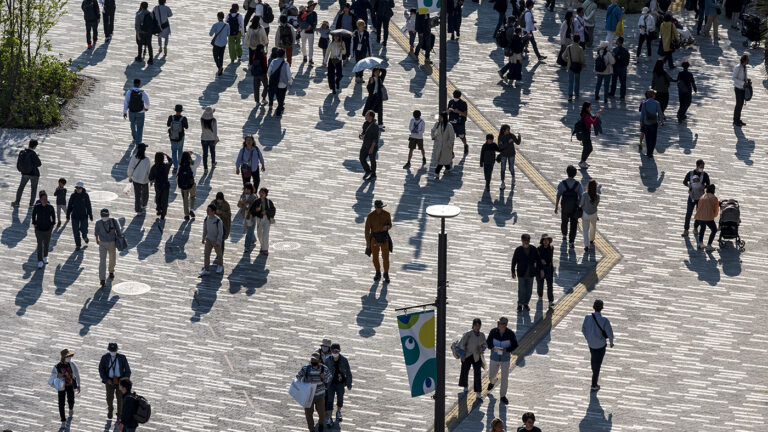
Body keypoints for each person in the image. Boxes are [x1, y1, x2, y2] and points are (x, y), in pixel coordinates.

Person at [581, 299, 614, 391]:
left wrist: (588, 338)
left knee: (593, 359)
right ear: (602, 308)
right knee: (598, 364)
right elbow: (610, 332)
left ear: (593, 307)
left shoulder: (587, 317)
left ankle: (594, 371)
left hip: (591, 344)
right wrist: (611, 342)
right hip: (601, 345)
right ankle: (594, 384)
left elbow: (583, 330)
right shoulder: (604, 320)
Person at [486, 317, 518, 405]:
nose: (498, 325)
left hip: (505, 359)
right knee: (491, 375)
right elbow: (488, 342)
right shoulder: (493, 331)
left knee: (504, 378)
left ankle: (503, 396)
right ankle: (492, 382)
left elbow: (515, 345)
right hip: (494, 357)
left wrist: (506, 350)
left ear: (505, 325)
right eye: (498, 323)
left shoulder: (510, 333)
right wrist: (492, 347)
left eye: (500, 323)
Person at [297, 353, 331, 432]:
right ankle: (311, 429)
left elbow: (329, 377)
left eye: (315, 360)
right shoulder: (306, 368)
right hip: (308, 395)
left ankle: (321, 424)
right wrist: (305, 379)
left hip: (320, 395)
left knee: (322, 413)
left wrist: (324, 378)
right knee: (308, 413)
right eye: (312, 359)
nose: (313, 361)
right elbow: (298, 377)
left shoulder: (324, 368)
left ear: (319, 361)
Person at [98, 342, 132, 420]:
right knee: (109, 398)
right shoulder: (104, 358)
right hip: (109, 381)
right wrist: (106, 380)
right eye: (111, 351)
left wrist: (123, 381)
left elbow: (128, 371)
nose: (113, 352)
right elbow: (101, 369)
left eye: (114, 351)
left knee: (120, 398)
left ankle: (119, 413)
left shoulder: (122, 358)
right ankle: (110, 410)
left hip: (120, 381)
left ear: (117, 350)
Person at [323, 343, 353, 427]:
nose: (335, 353)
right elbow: (324, 372)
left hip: (340, 383)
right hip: (331, 383)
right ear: (331, 351)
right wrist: (324, 383)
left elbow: (348, 372)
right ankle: (330, 418)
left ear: (340, 351)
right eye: (333, 351)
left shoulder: (344, 360)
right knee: (329, 401)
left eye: (336, 351)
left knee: (340, 399)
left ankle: (338, 411)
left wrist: (349, 383)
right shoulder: (328, 360)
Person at [555, 165, 584, 248]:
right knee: (573, 224)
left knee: (564, 221)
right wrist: (579, 205)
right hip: (574, 207)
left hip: (564, 207)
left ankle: (564, 235)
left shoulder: (562, 183)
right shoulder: (578, 184)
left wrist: (556, 206)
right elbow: (581, 196)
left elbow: (558, 195)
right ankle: (571, 241)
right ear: (575, 174)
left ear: (567, 173)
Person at [458, 318, 487, 399]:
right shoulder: (468, 334)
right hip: (467, 355)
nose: (477, 327)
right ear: (473, 326)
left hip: (477, 356)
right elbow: (461, 345)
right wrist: (462, 356)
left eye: (479, 325)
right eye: (476, 325)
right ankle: (465, 385)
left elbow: (485, 344)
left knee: (478, 373)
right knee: (464, 371)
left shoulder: (482, 335)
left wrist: (482, 348)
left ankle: (478, 392)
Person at [364, 199, 392, 282]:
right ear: (375, 207)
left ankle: (386, 273)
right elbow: (367, 230)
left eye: (381, 207)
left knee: (385, 257)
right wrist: (368, 241)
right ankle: (378, 272)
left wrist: (387, 227)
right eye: (378, 208)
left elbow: (390, 225)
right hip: (374, 239)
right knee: (375, 257)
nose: (380, 209)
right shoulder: (370, 216)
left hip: (384, 238)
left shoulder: (387, 214)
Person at [512, 234, 540, 312]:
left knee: (529, 291)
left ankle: (526, 303)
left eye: (528, 240)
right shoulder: (518, 250)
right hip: (521, 273)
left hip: (530, 274)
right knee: (521, 290)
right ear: (522, 240)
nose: (526, 242)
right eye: (525, 240)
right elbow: (514, 261)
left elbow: (538, 259)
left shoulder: (533, 249)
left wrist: (539, 270)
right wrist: (513, 271)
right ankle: (520, 304)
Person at [52, 349, 81, 424]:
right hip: (61, 386)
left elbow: (77, 374)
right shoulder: (57, 366)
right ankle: (63, 420)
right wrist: (57, 375)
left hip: (70, 385)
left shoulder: (72, 364)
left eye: (70, 357)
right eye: (68, 357)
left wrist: (78, 385)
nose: (69, 358)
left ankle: (71, 408)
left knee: (71, 401)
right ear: (63, 357)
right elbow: (52, 375)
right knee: (61, 403)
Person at [95, 208, 122, 286]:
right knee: (102, 261)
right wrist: (97, 240)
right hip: (102, 243)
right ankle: (102, 279)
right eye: (103, 215)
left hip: (112, 242)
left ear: (108, 215)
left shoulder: (113, 221)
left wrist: (120, 240)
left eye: (106, 215)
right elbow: (96, 232)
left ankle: (111, 271)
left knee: (112, 258)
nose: (104, 217)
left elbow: (119, 231)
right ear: (100, 215)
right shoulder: (98, 223)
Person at [682, 160, 710, 236]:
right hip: (692, 196)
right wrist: (688, 185)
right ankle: (686, 229)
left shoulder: (705, 175)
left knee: (699, 214)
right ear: (697, 166)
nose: (702, 168)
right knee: (689, 213)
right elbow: (684, 182)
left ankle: (695, 227)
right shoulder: (690, 173)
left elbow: (708, 184)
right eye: (701, 167)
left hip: (701, 197)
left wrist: (705, 187)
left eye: (703, 167)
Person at [12, 139, 42, 207]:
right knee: (33, 189)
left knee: (21, 187)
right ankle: (31, 204)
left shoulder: (22, 152)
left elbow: (19, 162)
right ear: (35, 146)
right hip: (34, 174)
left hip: (24, 173)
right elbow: (39, 164)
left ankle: (17, 202)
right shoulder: (33, 153)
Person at [66, 181, 93, 251]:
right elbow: (69, 205)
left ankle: (84, 236)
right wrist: (68, 215)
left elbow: (88, 205)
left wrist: (90, 215)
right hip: (75, 216)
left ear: (82, 188)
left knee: (84, 228)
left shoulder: (85, 195)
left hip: (83, 215)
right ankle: (78, 245)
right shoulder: (73, 195)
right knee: (75, 231)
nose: (78, 189)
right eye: (77, 188)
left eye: (79, 188)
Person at [32, 191, 55, 269]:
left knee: (46, 243)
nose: (45, 200)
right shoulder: (37, 207)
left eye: (46, 199)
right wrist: (34, 223)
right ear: (40, 199)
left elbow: (53, 217)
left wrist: (52, 225)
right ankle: (40, 261)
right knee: (39, 245)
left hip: (48, 229)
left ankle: (45, 256)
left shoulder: (50, 207)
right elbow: (33, 215)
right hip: (39, 229)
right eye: (43, 199)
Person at [123, 79, 150, 145]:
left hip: (131, 111)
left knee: (132, 124)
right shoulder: (143, 93)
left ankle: (134, 136)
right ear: (139, 84)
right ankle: (138, 141)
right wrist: (146, 108)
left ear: (133, 83)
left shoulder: (129, 92)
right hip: (140, 112)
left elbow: (126, 102)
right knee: (140, 127)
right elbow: (147, 101)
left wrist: (125, 112)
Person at [266, 48, 293, 116]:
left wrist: (272, 77)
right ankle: (279, 109)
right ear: (283, 55)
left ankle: (280, 107)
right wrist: (290, 82)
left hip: (275, 82)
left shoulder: (273, 61)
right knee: (282, 96)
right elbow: (289, 75)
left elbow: (268, 72)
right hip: (283, 83)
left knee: (278, 96)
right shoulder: (286, 64)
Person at [200, 204, 224, 276]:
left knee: (219, 254)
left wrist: (218, 241)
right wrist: (203, 238)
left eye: (209, 210)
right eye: (207, 210)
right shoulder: (206, 219)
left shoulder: (218, 220)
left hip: (216, 240)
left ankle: (220, 265)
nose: (207, 211)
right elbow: (205, 229)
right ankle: (206, 269)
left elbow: (220, 232)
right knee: (206, 254)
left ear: (213, 212)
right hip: (208, 239)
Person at [177, 151, 201, 220]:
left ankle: (186, 214)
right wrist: (193, 153)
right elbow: (199, 157)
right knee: (192, 197)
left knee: (185, 199)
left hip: (183, 185)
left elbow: (178, 175)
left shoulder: (180, 165)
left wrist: (179, 184)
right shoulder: (193, 163)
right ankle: (192, 210)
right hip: (191, 183)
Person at [431, 112, 456, 180]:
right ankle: (448, 168)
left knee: (441, 160)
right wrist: (434, 137)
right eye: (439, 117)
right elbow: (434, 131)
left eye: (440, 117)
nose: (439, 118)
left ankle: (436, 172)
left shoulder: (449, 126)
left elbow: (452, 137)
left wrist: (448, 144)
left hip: (445, 147)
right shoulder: (437, 124)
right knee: (442, 159)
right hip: (438, 145)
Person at [694, 184, 719, 251]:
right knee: (714, 230)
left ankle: (700, 243)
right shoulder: (714, 198)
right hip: (708, 217)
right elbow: (716, 209)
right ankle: (709, 245)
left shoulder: (702, 196)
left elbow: (698, 207)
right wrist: (714, 215)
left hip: (700, 216)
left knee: (702, 228)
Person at [640, 89, 664, 158]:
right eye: (654, 94)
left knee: (647, 138)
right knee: (653, 138)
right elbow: (660, 113)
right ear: (653, 95)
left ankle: (648, 152)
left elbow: (642, 114)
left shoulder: (644, 103)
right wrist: (661, 121)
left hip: (646, 123)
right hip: (653, 123)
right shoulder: (657, 103)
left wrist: (641, 121)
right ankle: (651, 152)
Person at [127, 144, 151, 213]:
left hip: (136, 179)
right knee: (145, 193)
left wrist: (130, 176)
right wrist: (150, 179)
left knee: (137, 195)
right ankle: (144, 204)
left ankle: (138, 209)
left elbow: (130, 168)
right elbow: (149, 171)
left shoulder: (134, 157)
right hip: (144, 180)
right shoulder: (147, 159)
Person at [148, 152, 172, 220]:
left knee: (158, 197)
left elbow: (150, 178)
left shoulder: (154, 167)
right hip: (165, 185)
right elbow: (171, 161)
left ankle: (159, 209)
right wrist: (166, 155)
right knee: (165, 200)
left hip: (158, 185)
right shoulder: (166, 166)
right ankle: (163, 214)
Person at [209, 192, 232, 264]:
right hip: (214, 225)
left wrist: (221, 213)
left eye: (220, 200)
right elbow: (209, 212)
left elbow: (228, 215)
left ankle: (220, 254)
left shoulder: (226, 205)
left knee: (221, 240)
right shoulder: (213, 203)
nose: (219, 201)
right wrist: (215, 212)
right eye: (218, 199)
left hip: (223, 225)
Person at [251, 187, 275, 255]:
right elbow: (252, 211)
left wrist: (266, 212)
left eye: (263, 193)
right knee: (259, 234)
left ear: (266, 194)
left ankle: (265, 249)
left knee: (265, 235)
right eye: (260, 192)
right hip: (259, 219)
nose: (261, 194)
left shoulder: (269, 202)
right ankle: (262, 245)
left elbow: (273, 210)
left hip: (266, 219)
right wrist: (256, 210)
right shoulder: (256, 201)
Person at [578, 101, 601, 168]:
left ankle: (583, 161)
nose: (591, 108)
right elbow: (593, 122)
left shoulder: (586, 114)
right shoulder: (586, 116)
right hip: (585, 135)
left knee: (586, 148)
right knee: (589, 148)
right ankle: (582, 162)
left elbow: (591, 119)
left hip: (585, 134)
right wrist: (598, 115)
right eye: (590, 107)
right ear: (587, 108)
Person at [497, 124, 521, 189]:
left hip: (511, 154)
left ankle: (513, 177)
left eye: (509, 130)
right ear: (504, 130)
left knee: (511, 168)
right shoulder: (500, 137)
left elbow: (518, 142)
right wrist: (508, 142)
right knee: (503, 169)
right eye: (507, 130)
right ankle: (502, 182)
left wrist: (519, 137)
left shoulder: (511, 135)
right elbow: (500, 147)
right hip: (503, 154)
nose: (509, 131)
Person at [167, 104, 189, 173]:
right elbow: (186, 127)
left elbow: (168, 125)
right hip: (180, 137)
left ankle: (175, 167)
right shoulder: (183, 118)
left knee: (174, 152)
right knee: (180, 151)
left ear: (175, 110)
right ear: (181, 111)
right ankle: (180, 165)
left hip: (172, 137)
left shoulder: (171, 117)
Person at [563, 35, 585, 101]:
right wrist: (583, 65)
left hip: (570, 66)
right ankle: (576, 94)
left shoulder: (569, 47)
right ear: (579, 40)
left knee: (570, 81)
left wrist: (568, 61)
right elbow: (582, 59)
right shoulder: (580, 48)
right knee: (577, 81)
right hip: (578, 67)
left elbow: (563, 56)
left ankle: (570, 95)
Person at [359, 110, 380, 180]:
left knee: (372, 160)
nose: (365, 116)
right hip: (365, 144)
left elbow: (375, 138)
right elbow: (364, 132)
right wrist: (361, 134)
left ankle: (373, 175)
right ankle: (368, 170)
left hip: (372, 146)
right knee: (361, 158)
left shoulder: (375, 126)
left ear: (370, 117)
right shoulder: (365, 123)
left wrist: (372, 148)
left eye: (366, 115)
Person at [238, 184, 258, 252]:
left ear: (251, 190)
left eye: (248, 189)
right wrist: (242, 202)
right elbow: (239, 205)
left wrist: (246, 204)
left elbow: (254, 206)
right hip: (245, 215)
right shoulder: (243, 195)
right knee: (249, 229)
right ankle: (253, 239)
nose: (246, 190)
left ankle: (247, 246)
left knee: (249, 231)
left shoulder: (254, 197)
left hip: (252, 215)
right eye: (245, 189)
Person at [581, 179, 600, 251]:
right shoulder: (597, 196)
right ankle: (591, 239)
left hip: (585, 214)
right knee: (593, 227)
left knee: (585, 230)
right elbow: (596, 205)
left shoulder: (585, 195)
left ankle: (586, 245)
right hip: (594, 214)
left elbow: (581, 204)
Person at [352, 19, 373, 83]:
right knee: (357, 64)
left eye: (363, 25)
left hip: (364, 51)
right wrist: (352, 53)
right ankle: (357, 76)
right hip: (357, 51)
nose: (363, 26)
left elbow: (369, 43)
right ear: (358, 26)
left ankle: (361, 76)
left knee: (363, 64)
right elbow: (352, 43)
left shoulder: (366, 33)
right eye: (361, 25)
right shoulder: (355, 33)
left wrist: (370, 53)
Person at [447, 90, 469, 154]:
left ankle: (465, 145)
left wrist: (458, 111)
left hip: (460, 123)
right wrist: (448, 111)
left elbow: (465, 114)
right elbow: (447, 111)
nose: (455, 98)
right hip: (451, 122)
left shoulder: (463, 103)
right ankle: (451, 151)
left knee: (462, 136)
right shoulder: (451, 102)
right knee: (451, 137)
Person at [536, 234, 555, 305]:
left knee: (550, 285)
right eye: (544, 240)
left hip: (548, 268)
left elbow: (549, 258)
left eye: (547, 240)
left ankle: (550, 300)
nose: (546, 241)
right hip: (540, 269)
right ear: (542, 241)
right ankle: (540, 295)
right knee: (540, 284)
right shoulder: (538, 249)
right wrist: (541, 260)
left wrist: (542, 260)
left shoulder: (551, 248)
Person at [210, 11, 230, 76]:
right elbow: (228, 34)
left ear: (218, 17)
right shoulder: (227, 25)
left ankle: (219, 67)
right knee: (221, 56)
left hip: (217, 43)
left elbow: (210, 34)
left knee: (215, 56)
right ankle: (220, 68)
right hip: (224, 43)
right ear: (223, 17)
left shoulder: (215, 25)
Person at [732, 53, 750, 127]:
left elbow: (743, 77)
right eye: (747, 60)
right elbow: (734, 78)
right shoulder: (738, 67)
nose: (748, 61)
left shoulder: (744, 67)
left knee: (741, 104)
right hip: (738, 88)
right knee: (738, 105)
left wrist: (747, 80)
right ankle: (735, 121)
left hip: (742, 88)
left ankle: (738, 119)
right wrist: (743, 83)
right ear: (744, 60)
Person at [200, 107, 219, 173]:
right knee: (212, 152)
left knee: (205, 154)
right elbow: (215, 131)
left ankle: (205, 168)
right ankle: (213, 163)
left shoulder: (202, 119)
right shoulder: (213, 120)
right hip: (212, 139)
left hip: (204, 139)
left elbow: (205, 115)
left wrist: (210, 111)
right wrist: (216, 139)